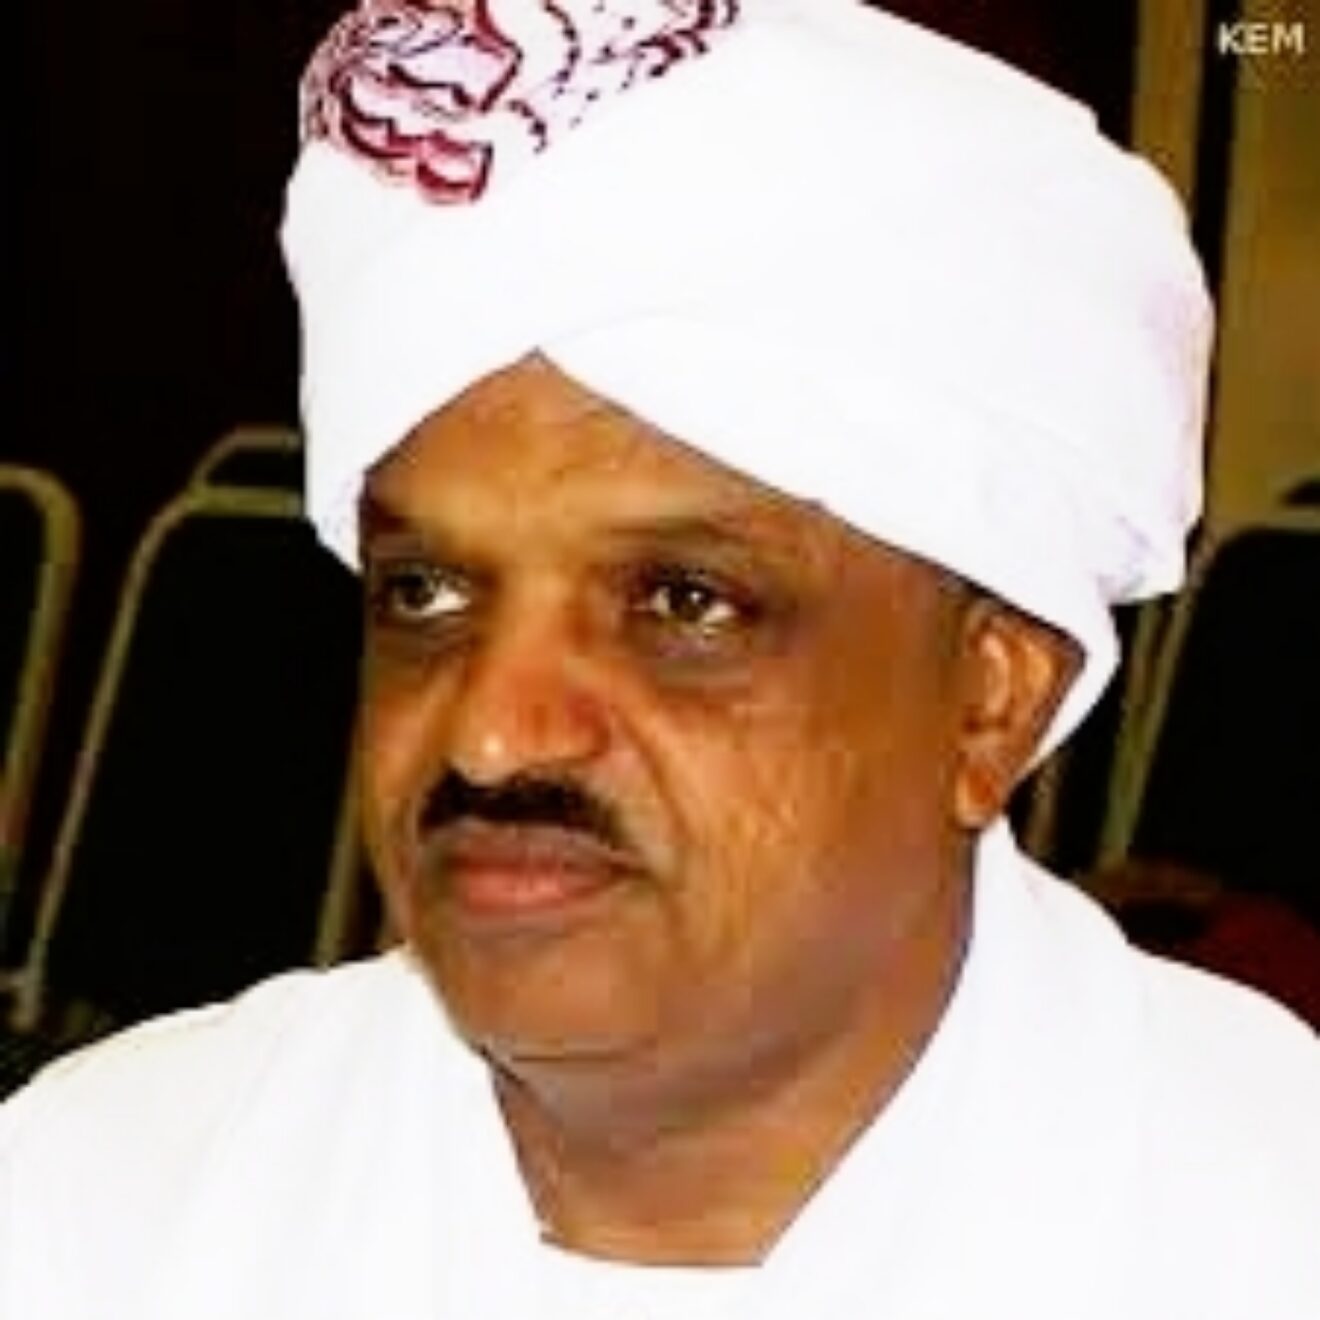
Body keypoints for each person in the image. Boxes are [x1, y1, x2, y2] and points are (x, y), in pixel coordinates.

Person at [2, 1, 1317, 1316]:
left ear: (990, 703)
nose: (492, 737)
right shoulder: (107, 1204)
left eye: (684, 603)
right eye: (427, 593)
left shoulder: (1265, 1226)